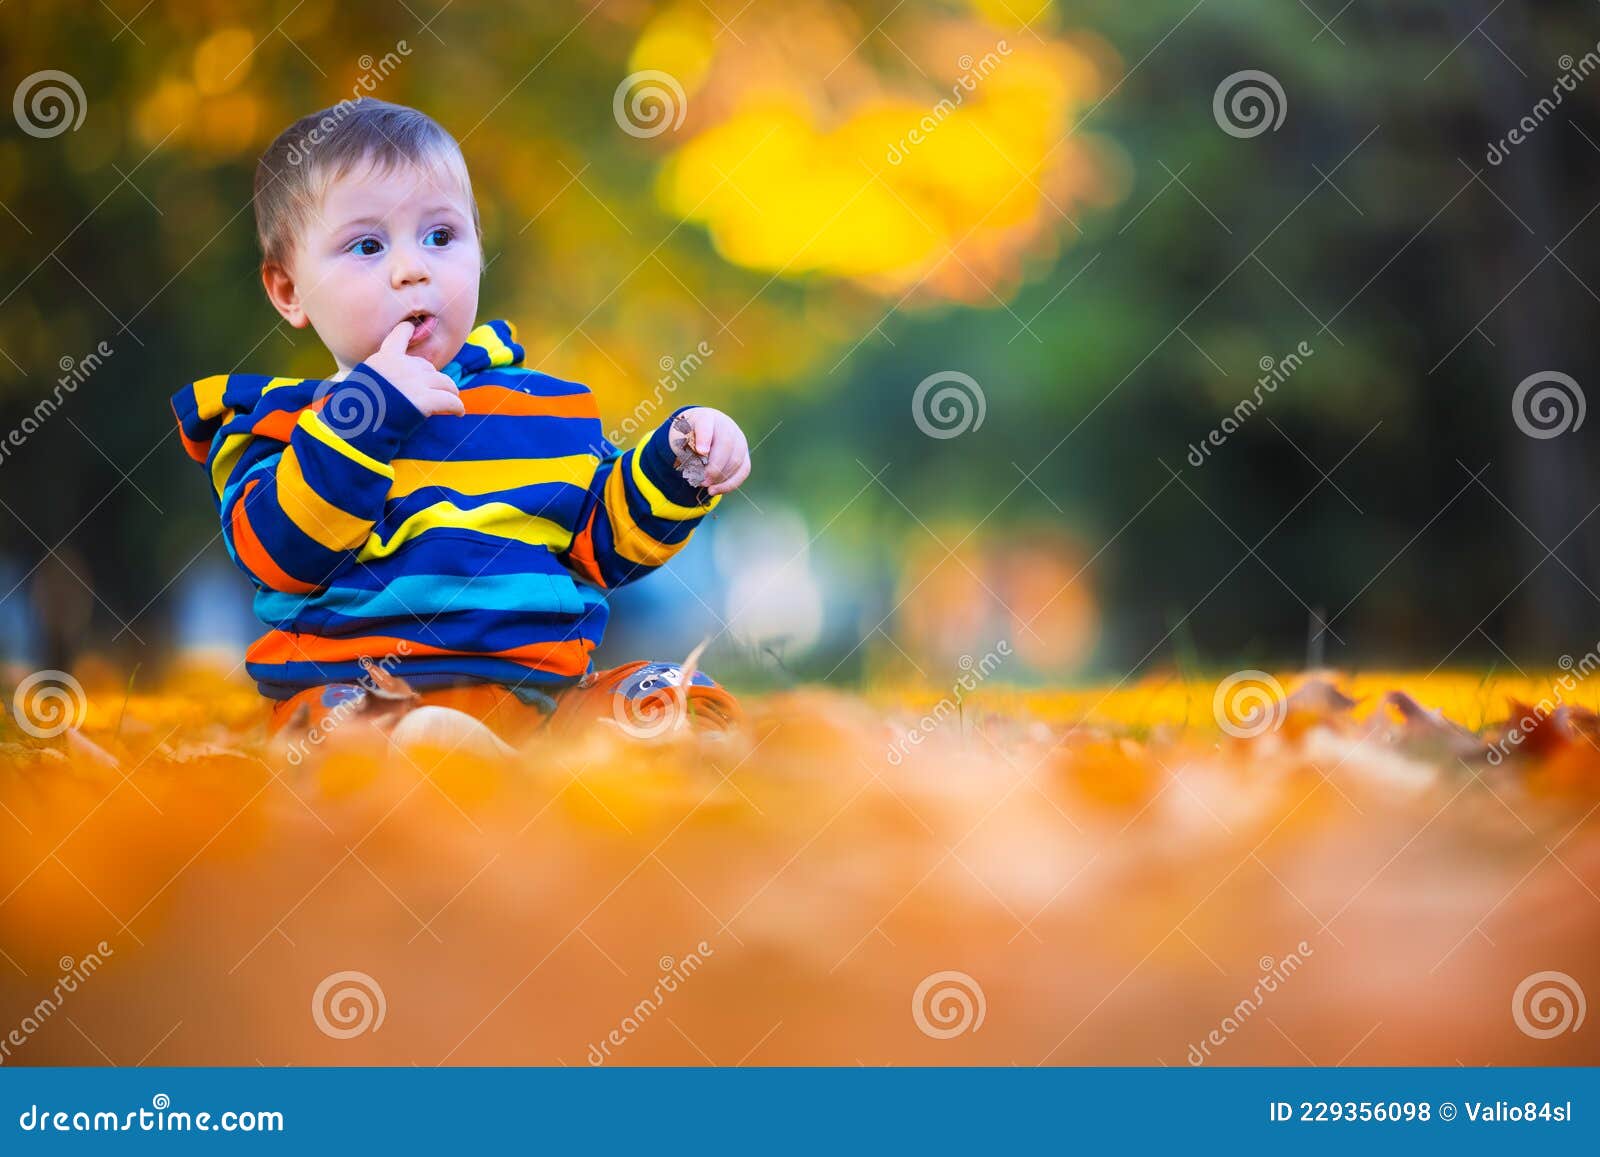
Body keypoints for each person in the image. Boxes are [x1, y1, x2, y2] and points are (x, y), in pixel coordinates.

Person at [169, 99, 750, 750]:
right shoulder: (277, 425)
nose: (414, 267)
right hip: (360, 693)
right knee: (333, 731)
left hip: (538, 698)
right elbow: (280, 553)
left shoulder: (539, 407)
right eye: (366, 245)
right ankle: (423, 755)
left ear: (477, 252)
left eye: (441, 236)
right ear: (289, 291)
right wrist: (367, 417)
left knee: (663, 690)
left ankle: (654, 749)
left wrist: (678, 465)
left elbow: (603, 543)